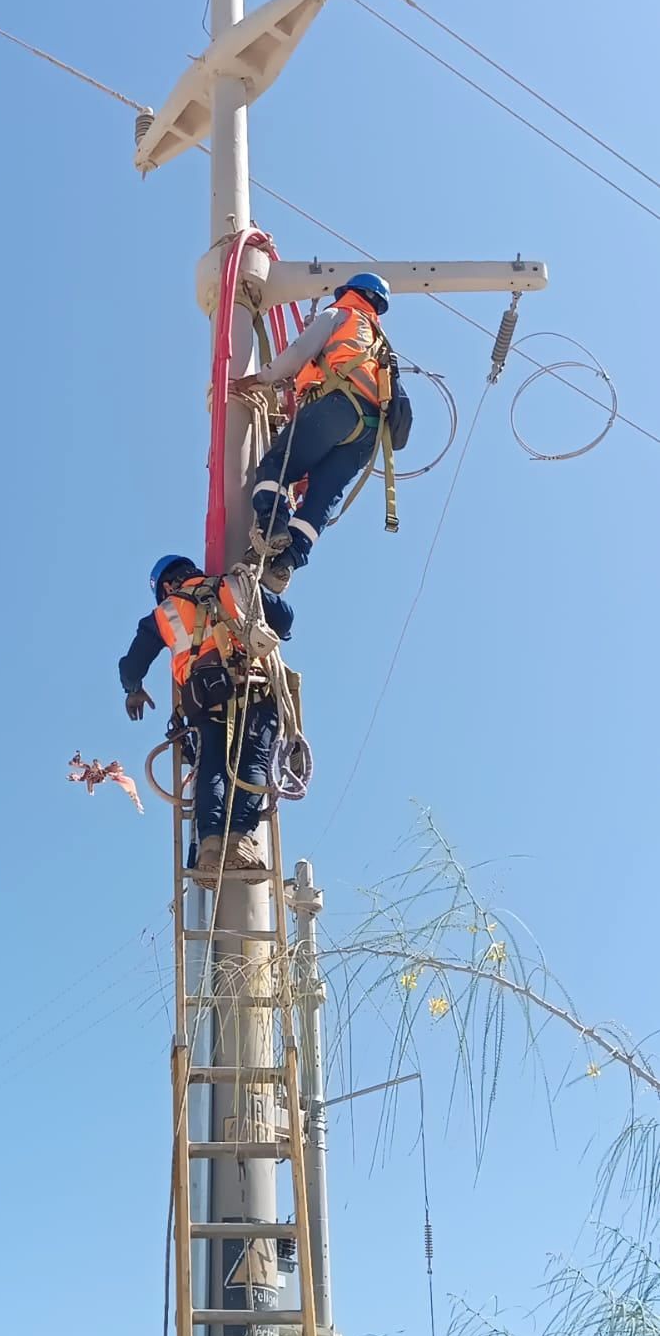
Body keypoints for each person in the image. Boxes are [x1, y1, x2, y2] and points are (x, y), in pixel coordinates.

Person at [119, 554, 294, 885]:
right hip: (252, 689)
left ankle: (211, 847)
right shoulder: (236, 584)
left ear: (168, 586)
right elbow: (284, 619)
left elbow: (131, 667)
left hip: (204, 700)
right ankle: (241, 841)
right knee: (252, 759)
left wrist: (133, 690)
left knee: (212, 766)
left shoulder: (164, 612)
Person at [234, 272, 411, 591]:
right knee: (321, 498)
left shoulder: (341, 313)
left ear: (350, 292)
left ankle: (272, 527)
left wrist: (262, 378)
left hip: (338, 408)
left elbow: (300, 350)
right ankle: (286, 562)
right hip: (370, 433)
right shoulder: (378, 341)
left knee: (276, 466)